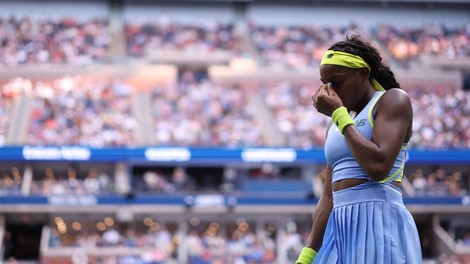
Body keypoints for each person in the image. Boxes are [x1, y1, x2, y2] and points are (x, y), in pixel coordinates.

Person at [296, 35, 422, 264]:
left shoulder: (393, 100)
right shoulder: (336, 124)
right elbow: (327, 196)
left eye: (337, 81)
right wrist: (308, 254)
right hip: (341, 230)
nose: (330, 91)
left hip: (381, 222)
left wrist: (339, 115)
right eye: (325, 83)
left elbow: (378, 167)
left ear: (364, 73)